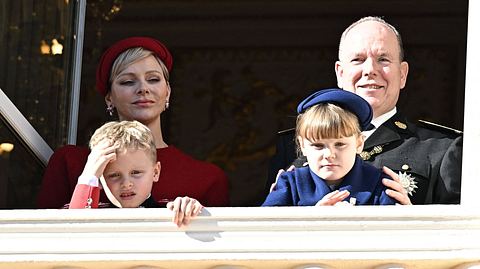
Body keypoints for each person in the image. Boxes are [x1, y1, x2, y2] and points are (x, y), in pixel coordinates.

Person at [267, 16, 462, 205]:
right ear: (340, 73)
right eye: (358, 60)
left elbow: (463, 231)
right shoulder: (290, 147)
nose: (370, 70)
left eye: (383, 59)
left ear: (402, 74)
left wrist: (412, 221)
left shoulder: (442, 148)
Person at [37, 36, 229, 209]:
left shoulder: (207, 178)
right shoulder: (71, 163)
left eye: (153, 79)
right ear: (109, 97)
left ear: (168, 91)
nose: (143, 88)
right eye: (128, 82)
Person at [263, 89, 396, 206]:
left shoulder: (380, 183)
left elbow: (396, 232)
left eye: (340, 144)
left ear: (359, 143)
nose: (329, 154)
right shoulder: (291, 184)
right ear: (302, 145)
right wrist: (314, 219)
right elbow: (265, 230)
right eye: (318, 145)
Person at [69, 121, 202, 227]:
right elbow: (74, 231)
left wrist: (189, 209)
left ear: (155, 172)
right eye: (114, 175)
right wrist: (88, 175)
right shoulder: (88, 213)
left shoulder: (171, 211)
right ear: (100, 179)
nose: (126, 184)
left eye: (136, 172)